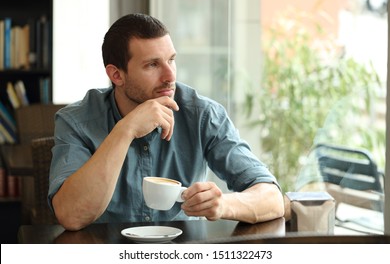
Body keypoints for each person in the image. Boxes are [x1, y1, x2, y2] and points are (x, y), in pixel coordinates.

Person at [48, 13, 284, 231]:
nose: (170, 76)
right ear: (116, 75)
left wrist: (223, 205)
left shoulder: (202, 114)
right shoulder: (77, 121)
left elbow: (272, 199)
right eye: (152, 65)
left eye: (171, 60)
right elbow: (71, 215)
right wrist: (126, 129)